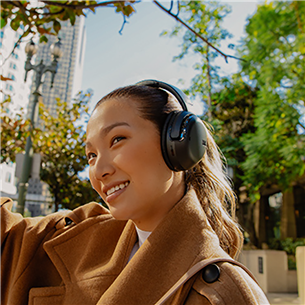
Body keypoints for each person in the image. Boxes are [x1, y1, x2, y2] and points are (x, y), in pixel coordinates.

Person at [0, 80, 270, 305]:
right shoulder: (71, 235)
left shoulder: (224, 292)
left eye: (117, 140)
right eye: (91, 155)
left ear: (177, 145)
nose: (99, 170)